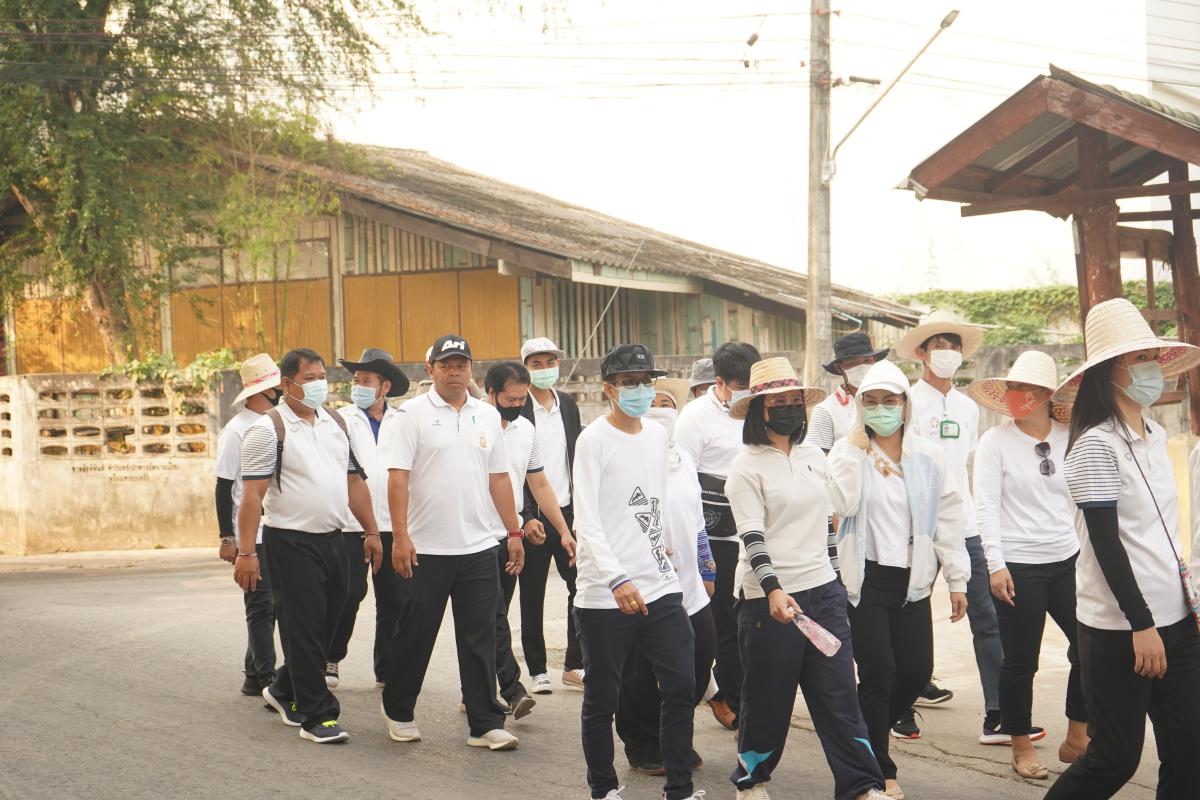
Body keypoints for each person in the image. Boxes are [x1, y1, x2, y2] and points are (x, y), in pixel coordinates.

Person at [1044, 298, 1200, 800]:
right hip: (1122, 628)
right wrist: (1142, 624)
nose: (1152, 368)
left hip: (1178, 619)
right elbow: (1107, 545)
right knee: (1114, 758)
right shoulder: (1094, 444)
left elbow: (1159, 533)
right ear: (1109, 372)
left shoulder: (1155, 434)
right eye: (1140, 359)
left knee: (1189, 749)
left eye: (1153, 357)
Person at [726, 357, 888, 800]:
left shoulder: (814, 456)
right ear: (759, 410)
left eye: (795, 401)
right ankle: (751, 781)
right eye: (778, 402)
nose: (790, 409)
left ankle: (861, 785)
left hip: (823, 594)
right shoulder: (745, 467)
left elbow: (827, 525)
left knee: (840, 695)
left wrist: (836, 582)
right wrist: (773, 589)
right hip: (769, 603)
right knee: (768, 699)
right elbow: (752, 536)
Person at [827, 359, 970, 800]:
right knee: (877, 673)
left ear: (905, 405)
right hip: (866, 578)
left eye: (889, 401)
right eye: (871, 401)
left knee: (916, 671)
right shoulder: (848, 453)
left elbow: (948, 519)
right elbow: (841, 505)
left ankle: (859, 732)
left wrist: (958, 579)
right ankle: (879, 769)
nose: (881, 409)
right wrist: (853, 450)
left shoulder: (928, 456)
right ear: (860, 406)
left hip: (913, 579)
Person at [380, 334, 525, 751]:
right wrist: (400, 537)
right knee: (415, 634)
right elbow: (398, 477)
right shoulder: (411, 415)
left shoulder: (486, 415)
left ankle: (485, 722)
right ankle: (399, 710)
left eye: (462, 365)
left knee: (480, 637)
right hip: (425, 548)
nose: (455, 372)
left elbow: (499, 478)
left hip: (478, 546)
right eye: (446, 365)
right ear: (431, 369)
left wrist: (513, 532)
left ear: (471, 369)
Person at [234, 348, 383, 744]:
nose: (319, 385)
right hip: (290, 542)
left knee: (329, 623)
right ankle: (318, 715)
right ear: (287, 384)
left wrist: (372, 531)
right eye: (310, 378)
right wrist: (246, 553)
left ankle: (283, 687)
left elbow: (354, 481)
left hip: (336, 539)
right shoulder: (268, 429)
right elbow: (251, 497)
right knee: (304, 625)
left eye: (322, 377)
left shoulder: (336, 423)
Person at [573, 343, 703, 800]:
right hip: (605, 592)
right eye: (629, 382)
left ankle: (680, 788)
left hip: (660, 584)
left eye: (646, 381)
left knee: (681, 684)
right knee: (602, 698)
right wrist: (616, 577)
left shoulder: (656, 436)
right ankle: (604, 788)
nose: (640, 390)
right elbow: (586, 519)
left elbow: (656, 497)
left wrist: (663, 544)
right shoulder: (593, 440)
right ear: (609, 389)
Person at [896, 310, 1019, 743]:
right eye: (939, 346)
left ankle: (998, 712)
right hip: (917, 526)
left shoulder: (968, 407)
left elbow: (966, 464)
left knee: (987, 617)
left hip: (965, 525)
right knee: (910, 614)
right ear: (921, 353)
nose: (947, 353)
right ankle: (900, 705)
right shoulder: (906, 402)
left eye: (954, 346)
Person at [966, 350, 1089, 779]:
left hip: (1069, 558)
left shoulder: (1071, 435)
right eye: (1013, 387)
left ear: (1047, 394)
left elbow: (1083, 500)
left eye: (1027, 388)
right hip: (1018, 565)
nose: (1018, 394)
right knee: (1021, 662)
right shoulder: (995, 442)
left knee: (1089, 648)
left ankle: (1077, 736)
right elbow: (986, 505)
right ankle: (1020, 744)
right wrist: (995, 564)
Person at [616, 377, 716, 776]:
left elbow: (697, 518)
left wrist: (706, 564)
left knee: (700, 655)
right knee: (640, 671)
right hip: (644, 580)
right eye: (651, 401)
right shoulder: (623, 456)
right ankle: (642, 744)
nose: (658, 408)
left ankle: (672, 733)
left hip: (689, 584)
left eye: (666, 403)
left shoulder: (682, 459)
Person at [674, 339, 762, 730]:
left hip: (756, 533)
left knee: (753, 619)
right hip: (716, 538)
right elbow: (681, 480)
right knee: (725, 622)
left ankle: (743, 692)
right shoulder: (695, 418)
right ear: (720, 383)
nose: (747, 393)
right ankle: (734, 700)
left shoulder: (761, 408)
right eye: (740, 386)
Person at [482, 360, 575, 719]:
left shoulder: (525, 430)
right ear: (491, 393)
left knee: (494, 614)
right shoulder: (477, 424)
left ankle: (475, 689)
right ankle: (512, 688)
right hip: (476, 536)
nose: (517, 406)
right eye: (510, 399)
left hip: (510, 535)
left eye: (522, 399)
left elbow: (538, 483)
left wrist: (563, 530)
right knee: (491, 614)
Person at [325, 348, 410, 688]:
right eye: (356, 380)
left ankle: (387, 668)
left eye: (366, 381)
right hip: (350, 524)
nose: (358, 386)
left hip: (393, 524)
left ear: (385, 386)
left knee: (394, 600)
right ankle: (330, 657)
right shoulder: (339, 420)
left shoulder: (404, 421)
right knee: (348, 593)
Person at [519, 336, 586, 692]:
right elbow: (516, 468)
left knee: (580, 587)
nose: (544, 369)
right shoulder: (518, 407)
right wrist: (526, 514)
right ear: (525, 368)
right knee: (533, 593)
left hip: (568, 512)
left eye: (549, 363)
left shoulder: (569, 405)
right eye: (536, 364)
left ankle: (574, 665)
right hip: (532, 516)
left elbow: (575, 458)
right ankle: (536, 669)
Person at [215, 353, 282, 696]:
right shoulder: (236, 431)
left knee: (272, 605)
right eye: (277, 387)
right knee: (260, 604)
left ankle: (253, 674)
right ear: (264, 391)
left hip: (277, 527)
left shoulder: (276, 424)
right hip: (250, 531)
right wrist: (228, 538)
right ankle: (267, 676)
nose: (281, 392)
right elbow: (223, 486)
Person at [808, 333, 890, 581]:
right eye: (852, 363)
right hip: (845, 508)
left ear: (874, 362)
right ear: (840, 369)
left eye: (865, 361)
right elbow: (817, 468)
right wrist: (831, 513)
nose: (860, 368)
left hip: (885, 505)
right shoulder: (826, 411)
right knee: (849, 578)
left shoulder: (890, 405)